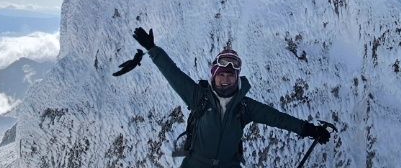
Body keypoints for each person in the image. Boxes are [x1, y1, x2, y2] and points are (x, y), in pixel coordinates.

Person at [133, 27, 330, 167]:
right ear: (214, 76)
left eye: (230, 75)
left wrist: (309, 129)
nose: (225, 80)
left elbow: (277, 118)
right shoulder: (198, 97)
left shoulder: (244, 106)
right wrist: (153, 50)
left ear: (237, 78)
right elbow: (173, 73)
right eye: (221, 75)